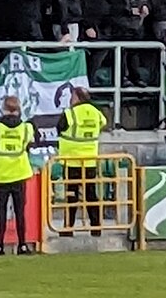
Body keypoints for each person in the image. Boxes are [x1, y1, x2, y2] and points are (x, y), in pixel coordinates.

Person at [0, 94, 36, 256]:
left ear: (4, 108)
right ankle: (22, 245)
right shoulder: (26, 127)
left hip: (2, 173)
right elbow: (29, 146)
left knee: (1, 212)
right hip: (20, 172)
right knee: (20, 212)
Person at [56, 86, 109, 237]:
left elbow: (60, 128)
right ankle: (96, 227)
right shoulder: (96, 113)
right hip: (90, 161)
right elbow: (103, 123)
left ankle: (68, 228)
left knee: (71, 195)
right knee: (91, 195)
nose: (71, 100)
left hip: (71, 161)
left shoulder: (70, 113)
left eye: (72, 97)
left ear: (77, 98)